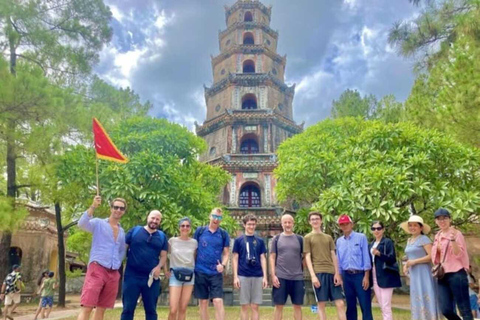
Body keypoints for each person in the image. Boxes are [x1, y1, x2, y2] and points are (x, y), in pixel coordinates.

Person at [77, 196, 127, 320]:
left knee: (101, 308)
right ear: (111, 208)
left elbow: (122, 250)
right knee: (87, 306)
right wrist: (93, 206)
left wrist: (116, 264)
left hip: (113, 272)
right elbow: (82, 224)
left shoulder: (122, 231)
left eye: (121, 208)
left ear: (124, 211)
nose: (118, 210)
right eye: (116, 207)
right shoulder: (98, 223)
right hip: (97, 267)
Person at [121, 210, 168, 320]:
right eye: (153, 218)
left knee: (151, 310)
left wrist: (159, 267)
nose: (154, 221)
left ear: (160, 221)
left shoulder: (162, 236)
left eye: (157, 219)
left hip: (151, 278)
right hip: (132, 276)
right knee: (128, 309)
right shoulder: (135, 231)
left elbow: (164, 256)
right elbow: (122, 249)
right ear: (148, 217)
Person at [431, 208, 472, 320]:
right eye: (439, 219)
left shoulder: (456, 234)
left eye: (445, 218)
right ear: (436, 221)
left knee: (464, 309)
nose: (442, 221)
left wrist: (453, 240)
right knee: (445, 309)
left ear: (450, 219)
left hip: (457, 274)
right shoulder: (437, 235)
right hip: (442, 275)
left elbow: (459, 254)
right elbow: (435, 257)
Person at [304, 212, 345, 320]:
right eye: (312, 219)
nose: (315, 221)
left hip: (332, 273)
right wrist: (313, 276)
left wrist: (337, 273)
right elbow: (307, 257)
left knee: (340, 303)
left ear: (321, 221)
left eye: (317, 219)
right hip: (318, 273)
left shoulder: (328, 237)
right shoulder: (307, 237)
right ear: (309, 222)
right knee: (321, 304)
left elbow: (333, 256)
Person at [193, 208, 230, 320]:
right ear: (210, 216)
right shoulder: (200, 231)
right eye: (214, 216)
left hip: (215, 272)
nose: (216, 219)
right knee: (203, 302)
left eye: (219, 217)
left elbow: (226, 253)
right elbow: (194, 250)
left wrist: (223, 265)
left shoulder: (223, 234)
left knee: (218, 301)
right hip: (200, 271)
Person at [400, 214, 439, 320]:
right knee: (416, 296)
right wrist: (406, 265)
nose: (412, 228)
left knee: (426, 295)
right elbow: (409, 257)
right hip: (414, 273)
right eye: (410, 225)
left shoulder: (424, 239)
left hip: (424, 272)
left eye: (415, 225)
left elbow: (431, 256)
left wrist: (414, 262)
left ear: (421, 227)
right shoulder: (409, 240)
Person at [336, 214, 372, 320]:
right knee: (350, 305)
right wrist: (340, 276)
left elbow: (366, 257)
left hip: (360, 275)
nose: (345, 226)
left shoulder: (361, 237)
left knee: (365, 304)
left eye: (347, 223)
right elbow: (339, 260)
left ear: (352, 224)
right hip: (346, 276)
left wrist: (366, 276)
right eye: (342, 224)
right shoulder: (339, 241)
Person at [269, 214, 305, 320]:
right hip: (281, 277)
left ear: (293, 223)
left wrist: (299, 269)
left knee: (297, 306)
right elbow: (272, 257)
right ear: (282, 224)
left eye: (289, 222)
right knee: (278, 305)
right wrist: (273, 275)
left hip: (297, 278)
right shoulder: (277, 239)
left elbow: (304, 257)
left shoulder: (300, 239)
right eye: (285, 222)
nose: (287, 224)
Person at [232, 214, 268, 320]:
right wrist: (235, 277)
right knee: (244, 306)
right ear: (244, 225)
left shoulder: (260, 241)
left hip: (257, 275)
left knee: (255, 306)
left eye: (253, 224)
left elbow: (263, 258)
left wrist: (265, 277)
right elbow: (235, 258)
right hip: (243, 274)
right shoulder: (238, 241)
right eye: (249, 224)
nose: (251, 227)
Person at [369, 221, 401, 320]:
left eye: (378, 228)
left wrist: (379, 254)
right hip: (374, 276)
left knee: (386, 305)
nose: (376, 231)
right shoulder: (371, 244)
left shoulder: (387, 242)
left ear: (383, 229)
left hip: (386, 276)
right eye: (374, 229)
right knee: (381, 305)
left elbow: (392, 258)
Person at [167, 217, 198, 320]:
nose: (185, 228)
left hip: (189, 275)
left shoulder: (194, 242)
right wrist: (165, 270)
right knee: (173, 309)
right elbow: (164, 255)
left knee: (183, 308)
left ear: (190, 228)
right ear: (179, 228)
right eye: (183, 226)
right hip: (175, 274)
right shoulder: (172, 241)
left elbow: (195, 257)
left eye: (187, 226)